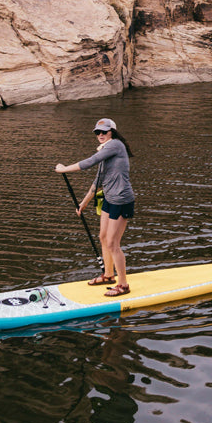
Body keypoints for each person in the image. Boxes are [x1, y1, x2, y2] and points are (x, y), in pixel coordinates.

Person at [56, 118, 135, 297]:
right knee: (103, 237)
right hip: (109, 198)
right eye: (97, 132)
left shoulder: (115, 145)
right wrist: (84, 202)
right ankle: (108, 275)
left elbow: (89, 162)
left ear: (112, 132)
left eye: (104, 131)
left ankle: (123, 285)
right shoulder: (106, 151)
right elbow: (98, 180)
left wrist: (63, 169)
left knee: (113, 243)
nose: (100, 134)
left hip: (121, 200)